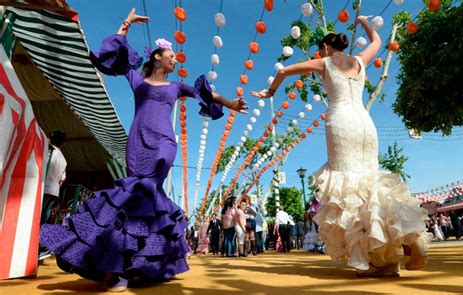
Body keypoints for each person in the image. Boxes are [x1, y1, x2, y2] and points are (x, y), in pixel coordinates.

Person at [39, 8, 248, 292]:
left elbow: (206, 94)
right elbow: (116, 53)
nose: (175, 58)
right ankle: (127, 268)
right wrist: (127, 23)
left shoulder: (176, 87)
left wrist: (231, 104)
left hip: (164, 142)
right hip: (137, 141)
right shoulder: (137, 80)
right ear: (157, 58)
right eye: (171, 54)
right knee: (135, 200)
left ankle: (127, 269)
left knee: (147, 188)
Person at [252, 16, 431, 277]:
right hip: (365, 124)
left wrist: (270, 92)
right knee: (371, 182)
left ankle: (372, 257)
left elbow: (283, 71)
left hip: (341, 123)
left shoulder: (324, 62)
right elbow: (378, 40)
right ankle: (401, 246)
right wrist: (363, 21)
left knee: (349, 189)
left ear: (325, 47)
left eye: (319, 48)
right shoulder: (359, 61)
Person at [39, 130, 67, 261]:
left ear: (50, 139)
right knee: (44, 219)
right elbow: (62, 179)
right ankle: (42, 246)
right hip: (54, 191)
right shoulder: (63, 159)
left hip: (43, 189)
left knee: (36, 218)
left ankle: (37, 247)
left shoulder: (48, 152)